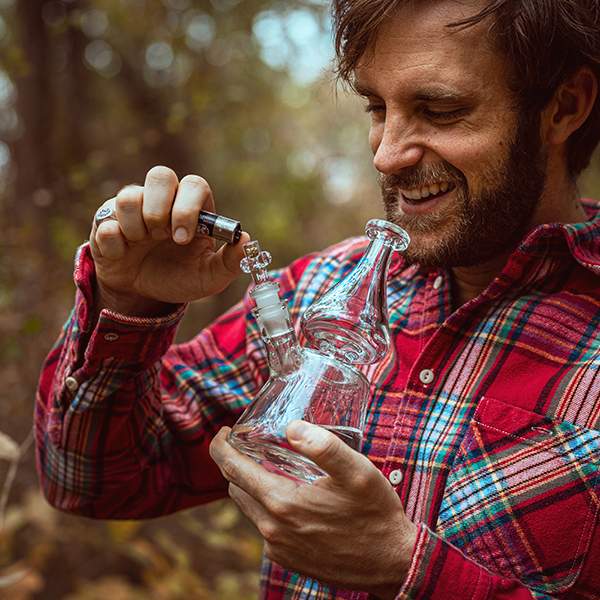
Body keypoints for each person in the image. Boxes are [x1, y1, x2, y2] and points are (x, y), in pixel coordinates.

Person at [34, 0, 600, 598]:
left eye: (440, 110)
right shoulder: (326, 289)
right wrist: (129, 301)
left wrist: (406, 570)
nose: (386, 154)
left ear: (564, 106)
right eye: (377, 108)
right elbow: (91, 481)